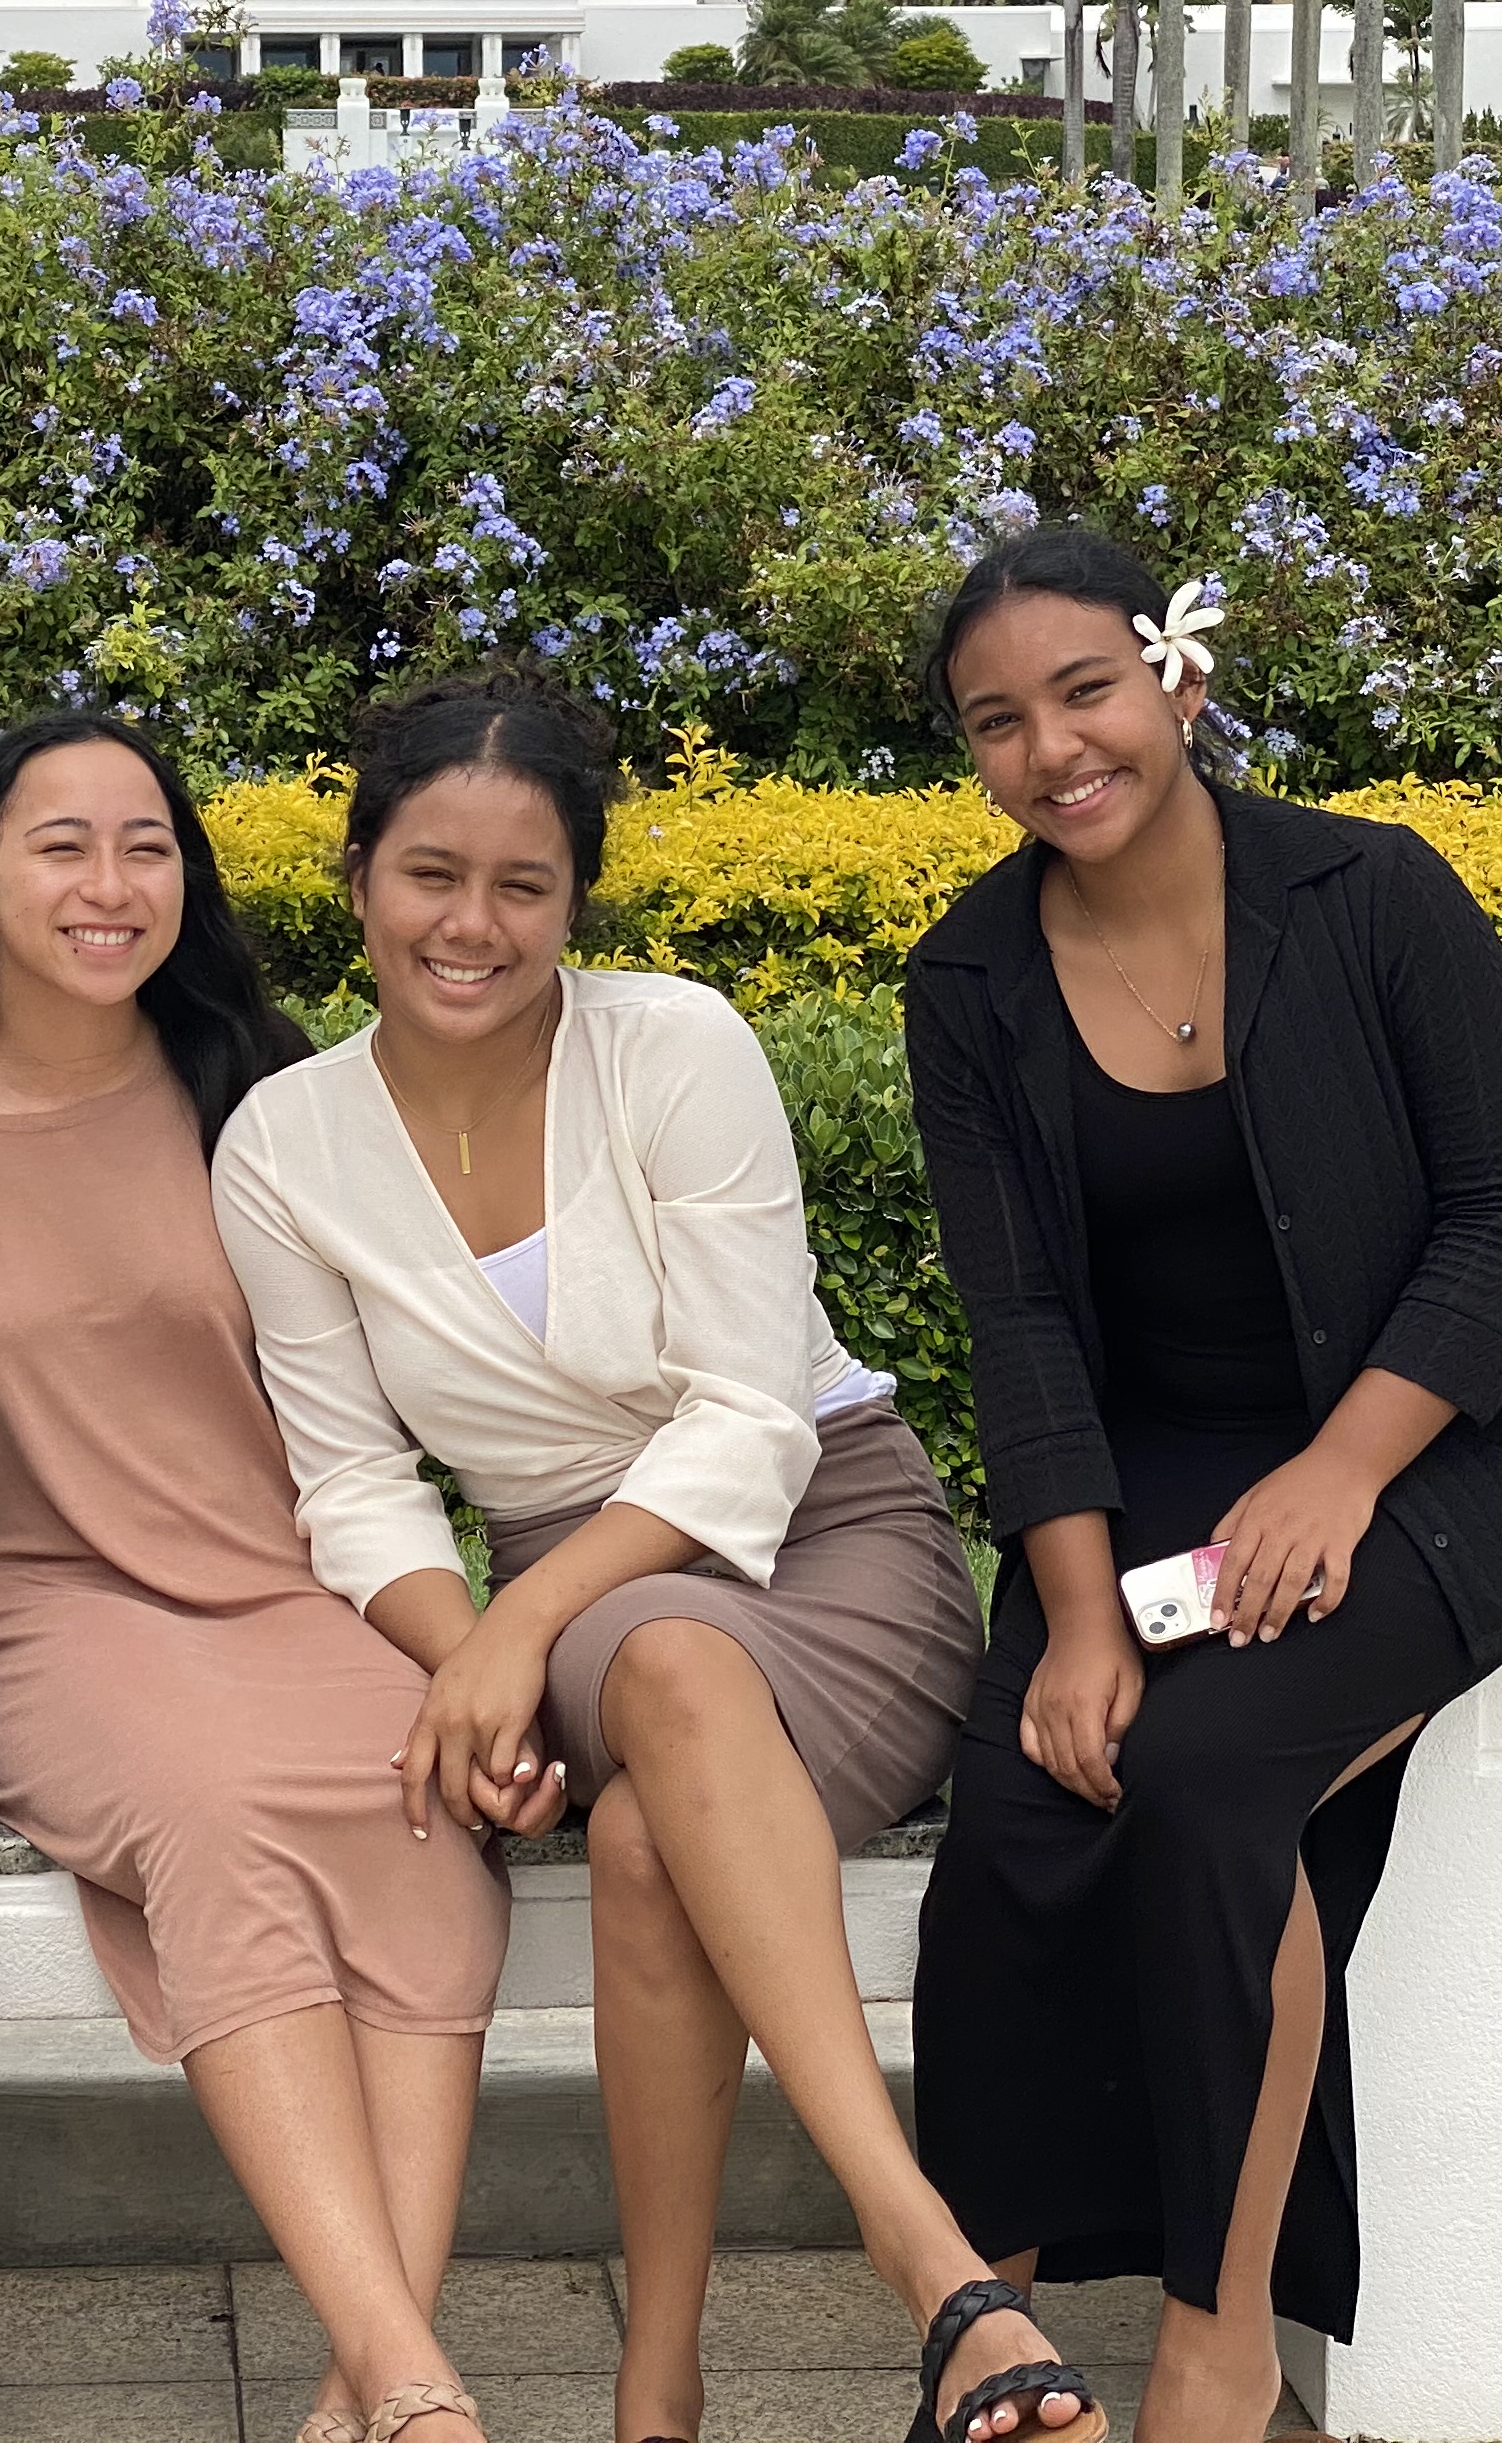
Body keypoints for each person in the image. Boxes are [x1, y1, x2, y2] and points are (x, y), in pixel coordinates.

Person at [212, 668, 1103, 2443]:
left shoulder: (676, 1046)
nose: (472, 926)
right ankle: (941, 2284)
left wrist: (512, 1633)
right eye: (430, 875)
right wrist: (477, 1642)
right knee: (670, 1671)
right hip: (588, 1608)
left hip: (833, 1540)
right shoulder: (282, 1144)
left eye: (523, 887)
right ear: (359, 872)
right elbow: (357, 1487)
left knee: (639, 1837)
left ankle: (685, 2375)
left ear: (576, 901)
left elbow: (755, 1418)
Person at [901, 527, 1502, 2443]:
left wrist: (1342, 1477)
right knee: (1031, 1818)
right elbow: (1021, 1319)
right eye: (997, 724)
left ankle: (1219, 2339)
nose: (1052, 749)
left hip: (1432, 1448)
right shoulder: (968, 980)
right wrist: (1064, 1619)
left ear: (1177, 682)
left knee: (1215, 1784)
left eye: (1084, 693)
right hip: (1139, 1485)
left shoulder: (1371, 893)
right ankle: (996, 2345)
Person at [0, 711, 510, 2443]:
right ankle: (422, 2390)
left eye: (148, 845)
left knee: (422, 1796)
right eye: (61, 843)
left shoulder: (262, 1093)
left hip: (285, 1591)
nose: (109, 883)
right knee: (218, 1822)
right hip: (31, 1611)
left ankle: (360, 2380)